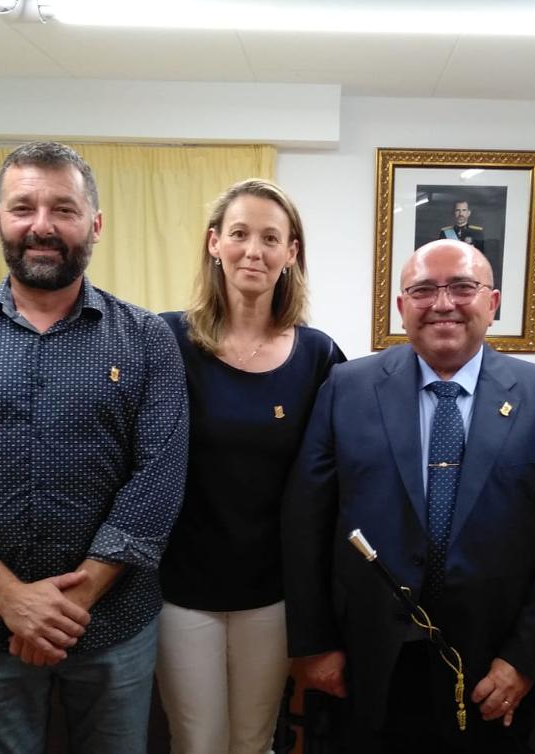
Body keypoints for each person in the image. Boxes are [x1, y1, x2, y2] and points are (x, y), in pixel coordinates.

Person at [0, 141, 188, 754]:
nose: (42, 225)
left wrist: (64, 608)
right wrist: (11, 600)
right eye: (23, 207)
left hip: (113, 626)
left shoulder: (147, 339)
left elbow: (157, 482)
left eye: (63, 209)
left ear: (95, 224)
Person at [283, 239, 535, 753]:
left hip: (495, 666)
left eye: (463, 287)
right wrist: (315, 645)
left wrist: (526, 659)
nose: (443, 303)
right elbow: (306, 523)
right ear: (402, 307)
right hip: (370, 661)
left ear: (493, 303)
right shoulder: (345, 388)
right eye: (423, 290)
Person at [155, 178, 345, 754]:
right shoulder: (167, 340)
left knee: (255, 742)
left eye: (270, 238)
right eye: (239, 234)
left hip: (273, 593)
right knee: (198, 742)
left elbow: (340, 475)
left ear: (291, 253)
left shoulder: (318, 355)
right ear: (215, 243)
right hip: (183, 590)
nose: (253, 251)